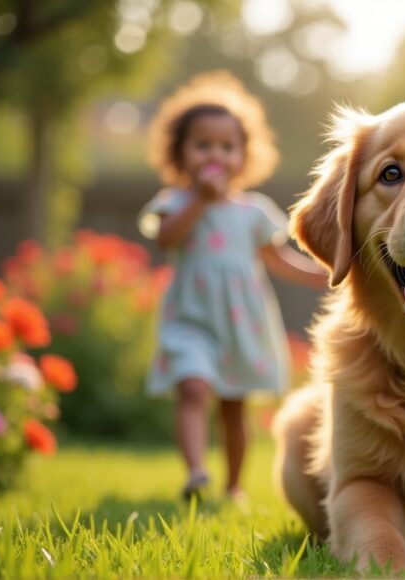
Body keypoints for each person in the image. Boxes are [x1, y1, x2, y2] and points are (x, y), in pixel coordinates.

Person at [138, 71, 328, 500]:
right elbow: (167, 239)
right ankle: (195, 473)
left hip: (240, 322)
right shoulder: (174, 203)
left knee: (233, 406)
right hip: (191, 319)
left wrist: (318, 272)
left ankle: (235, 485)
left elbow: (275, 259)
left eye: (227, 147)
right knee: (191, 387)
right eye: (202, 145)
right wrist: (200, 200)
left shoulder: (254, 212)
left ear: (245, 154)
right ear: (180, 153)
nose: (215, 155)